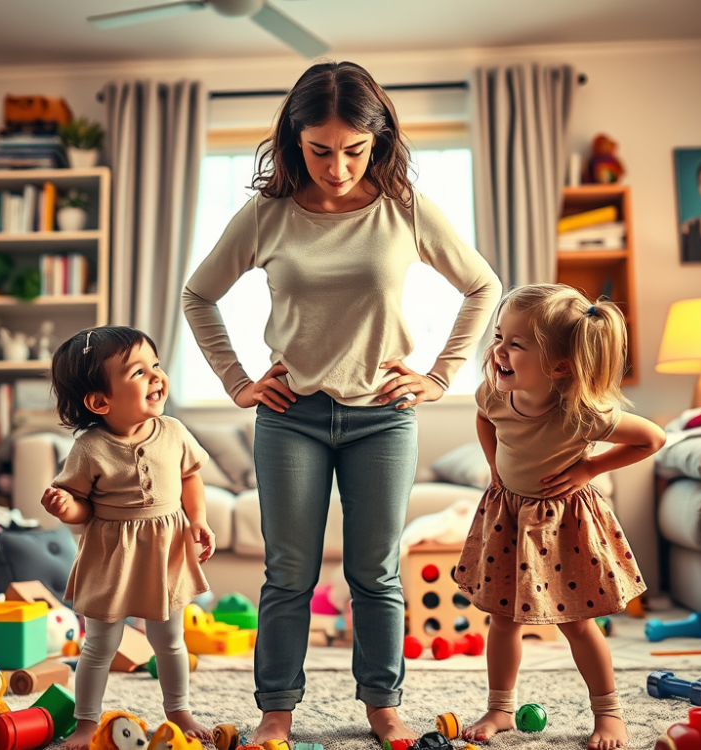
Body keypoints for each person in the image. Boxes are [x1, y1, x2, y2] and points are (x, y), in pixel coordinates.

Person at [182, 60, 501, 745]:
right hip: (289, 416)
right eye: (321, 150)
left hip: (383, 417)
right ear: (295, 139)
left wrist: (441, 376)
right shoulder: (267, 214)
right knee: (288, 573)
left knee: (375, 572)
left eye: (354, 150)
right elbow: (197, 294)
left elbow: (483, 286)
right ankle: (276, 712)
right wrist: (238, 380)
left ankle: (383, 706)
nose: (337, 166)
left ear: (377, 140)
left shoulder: (403, 208)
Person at [454, 284, 666, 750]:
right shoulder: (493, 394)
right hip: (508, 516)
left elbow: (651, 439)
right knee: (502, 620)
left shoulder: (582, 413)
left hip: (563, 524)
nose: (499, 351)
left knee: (577, 624)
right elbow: (483, 419)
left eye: (516, 343)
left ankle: (609, 714)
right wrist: (494, 467)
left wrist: (589, 467)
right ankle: (500, 709)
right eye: (498, 337)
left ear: (561, 365)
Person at [40, 325, 216, 750]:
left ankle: (179, 710)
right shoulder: (89, 447)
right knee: (100, 644)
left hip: (165, 552)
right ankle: (85, 723)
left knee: (169, 640)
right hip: (111, 556)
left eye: (155, 365)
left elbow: (190, 475)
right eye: (139, 372)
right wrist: (67, 507)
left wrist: (199, 520)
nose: (156, 376)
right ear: (101, 401)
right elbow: (83, 507)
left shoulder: (173, 431)